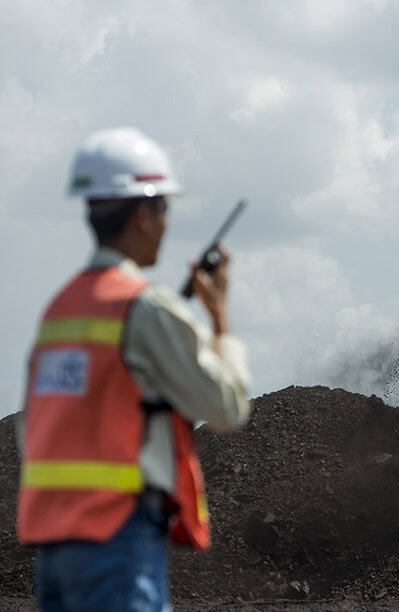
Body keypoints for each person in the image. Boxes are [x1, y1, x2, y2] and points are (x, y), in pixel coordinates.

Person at [16, 127, 251, 611]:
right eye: (164, 210)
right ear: (144, 215)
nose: (166, 224)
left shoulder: (60, 310)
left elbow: (32, 428)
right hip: (117, 540)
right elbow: (227, 408)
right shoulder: (143, 308)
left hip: (55, 546)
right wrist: (220, 319)